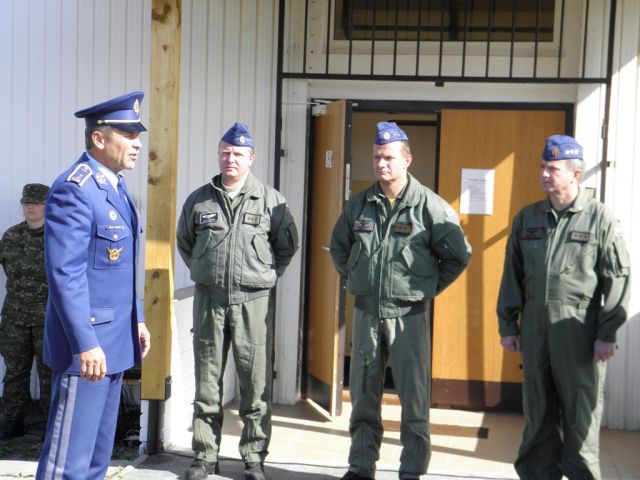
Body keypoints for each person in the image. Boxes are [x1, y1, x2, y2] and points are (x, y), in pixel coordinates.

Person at [330, 122, 472, 480]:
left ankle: (411, 471)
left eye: (389, 157)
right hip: (367, 313)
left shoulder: (430, 207)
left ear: (407, 160)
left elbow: (458, 256)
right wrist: (358, 275)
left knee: (414, 400)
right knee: (363, 397)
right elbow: (340, 248)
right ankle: (360, 468)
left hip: (409, 317)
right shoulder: (359, 205)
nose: (381, 164)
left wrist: (427, 287)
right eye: (377, 157)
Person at [497, 134, 631, 480]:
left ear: (576, 174)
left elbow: (618, 278)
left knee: (580, 417)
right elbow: (512, 276)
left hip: (578, 333)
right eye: (543, 166)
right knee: (537, 413)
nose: (544, 174)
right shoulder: (528, 218)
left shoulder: (599, 219)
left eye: (553, 168)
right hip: (535, 332)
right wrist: (508, 325)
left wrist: (607, 333)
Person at [36, 91, 151, 480]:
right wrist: (85, 342)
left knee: (96, 461)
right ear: (99, 138)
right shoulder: (75, 189)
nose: (137, 143)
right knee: (68, 461)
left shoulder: (115, 187)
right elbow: (65, 273)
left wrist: (137, 319)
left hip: (114, 344)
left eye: (138, 136)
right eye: (128, 135)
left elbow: (119, 267)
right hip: (87, 349)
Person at [176, 122, 299, 480]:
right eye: (225, 152)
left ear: (251, 158)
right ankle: (204, 456)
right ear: (219, 155)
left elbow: (286, 246)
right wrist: (204, 270)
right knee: (207, 380)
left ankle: (254, 458)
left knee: (255, 383)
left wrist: (264, 275)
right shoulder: (199, 199)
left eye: (238, 154)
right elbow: (185, 242)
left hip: (252, 302)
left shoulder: (271, 201)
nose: (231, 159)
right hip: (209, 300)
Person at [0, 183, 51, 440]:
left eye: (37, 203)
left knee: (49, 373)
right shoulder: (11, 236)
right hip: (15, 317)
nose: (31, 207)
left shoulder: (58, 237)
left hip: (47, 318)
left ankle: (51, 425)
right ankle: (12, 421)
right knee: (15, 372)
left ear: (47, 205)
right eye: (27, 203)